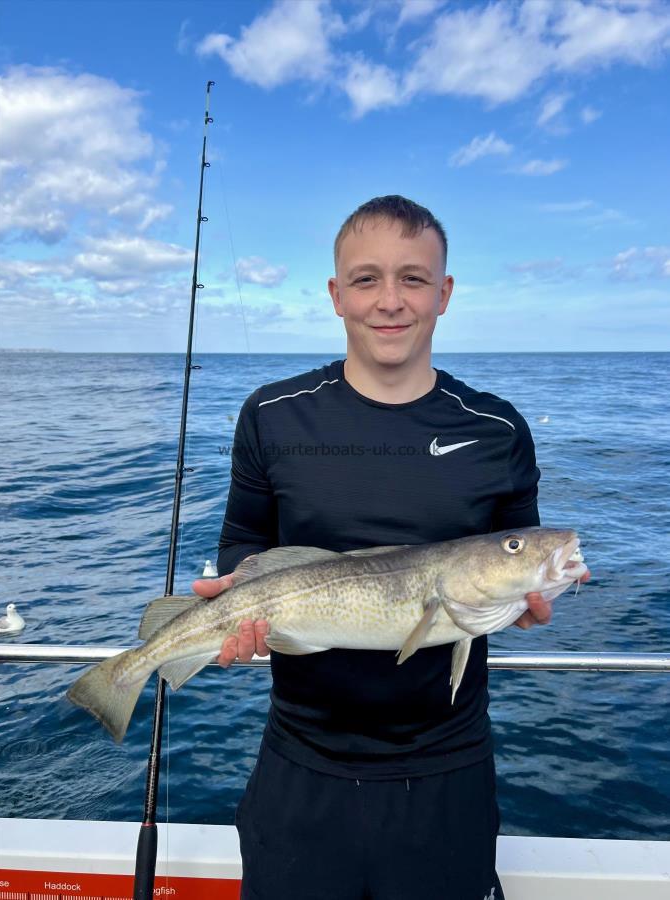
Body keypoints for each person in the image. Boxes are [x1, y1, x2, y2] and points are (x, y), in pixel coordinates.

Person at [193, 195, 589, 900]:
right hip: (300, 761)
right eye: (367, 278)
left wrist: (526, 601)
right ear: (335, 294)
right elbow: (245, 544)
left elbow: (515, 547)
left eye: (412, 278)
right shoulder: (271, 414)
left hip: (448, 765)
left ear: (443, 293)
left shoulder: (495, 427)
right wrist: (239, 608)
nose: (389, 301)